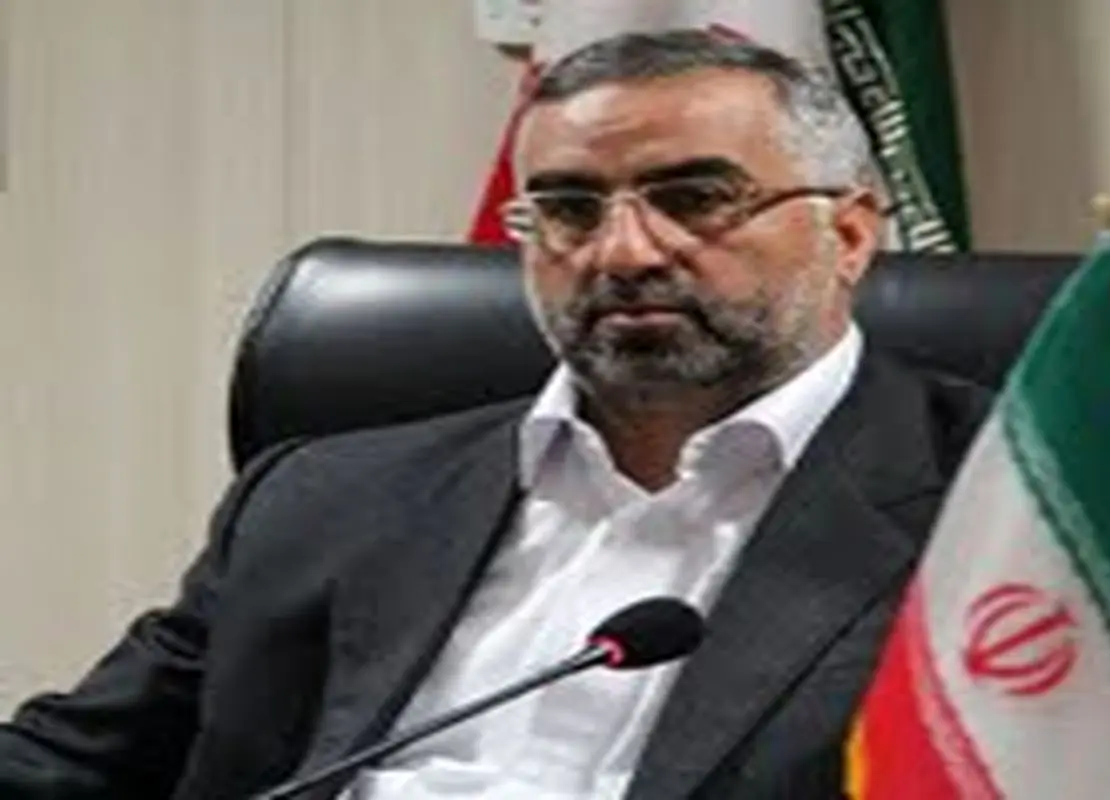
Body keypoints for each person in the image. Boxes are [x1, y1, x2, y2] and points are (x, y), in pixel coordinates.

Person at [0, 30, 990, 799]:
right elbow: (69, 765)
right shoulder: (324, 498)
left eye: (696, 199)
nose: (623, 252)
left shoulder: (999, 513)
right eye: (568, 209)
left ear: (848, 233)